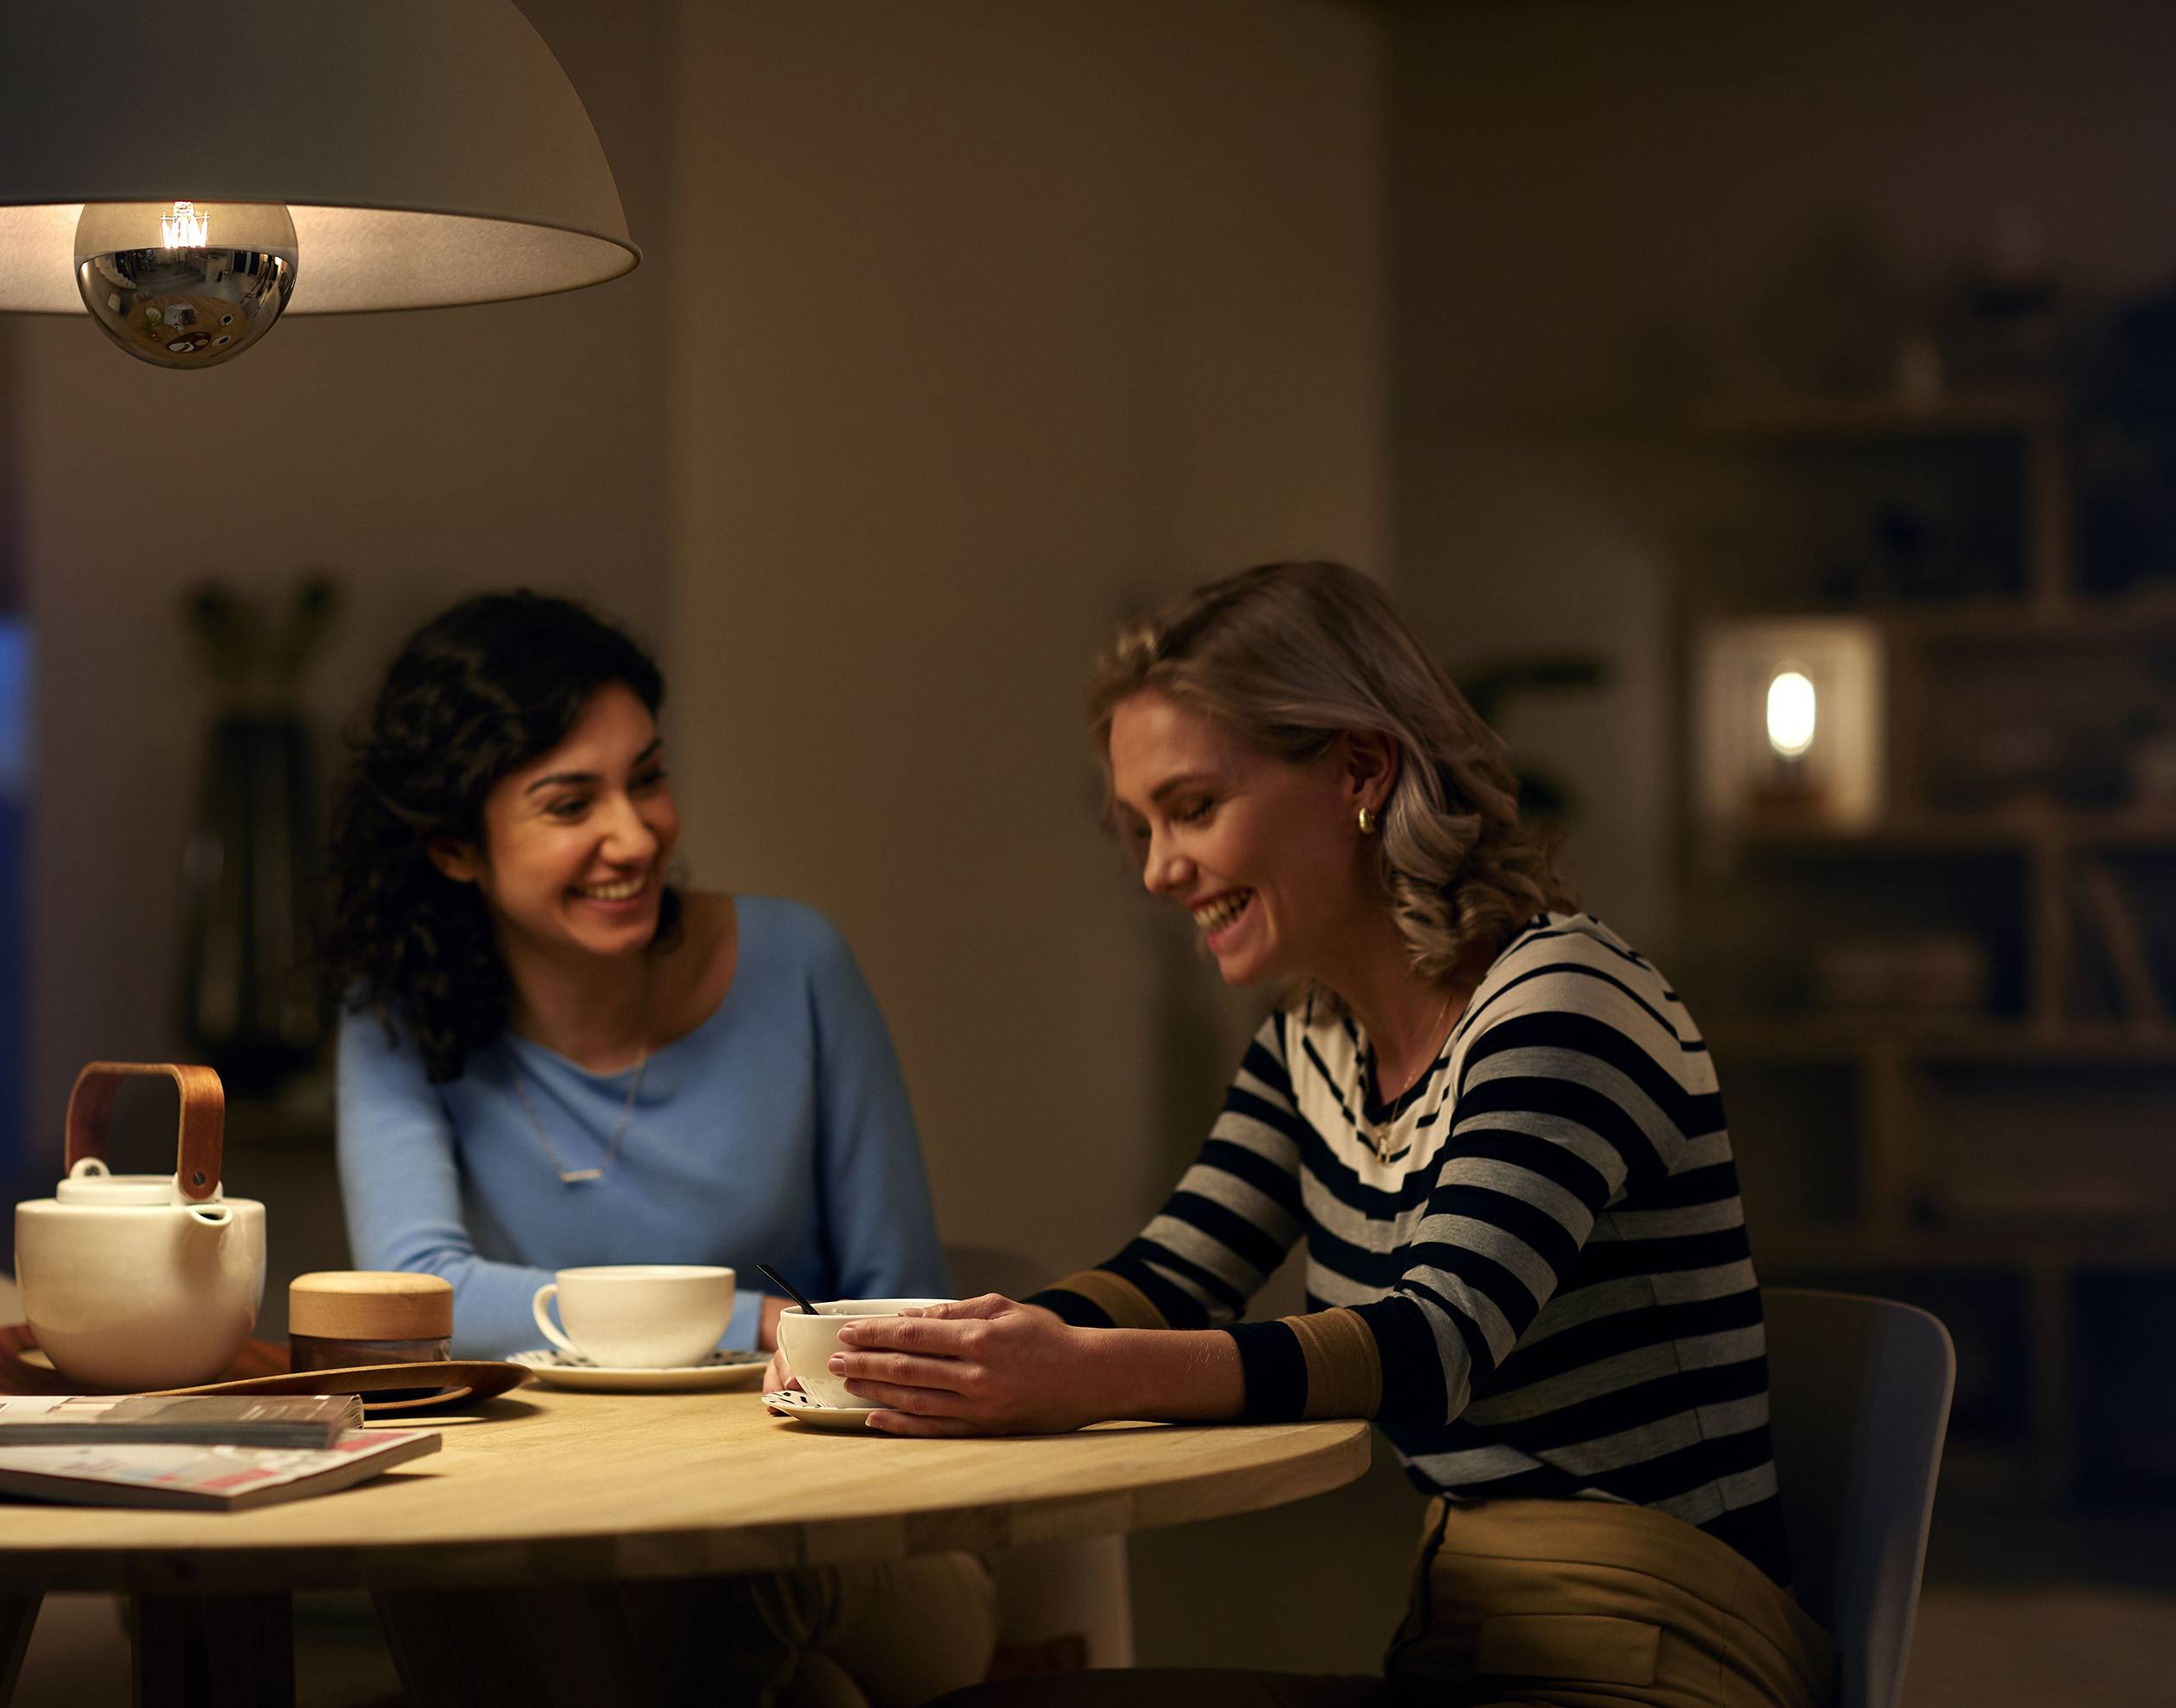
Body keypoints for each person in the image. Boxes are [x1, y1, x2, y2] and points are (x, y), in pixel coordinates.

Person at [827, 563, 1832, 1708]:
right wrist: (927, 1350)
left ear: (1362, 769)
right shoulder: (1312, 1040)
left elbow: (1430, 1347)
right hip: (1473, 1639)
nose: (1158, 871)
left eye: (1194, 808)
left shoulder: (1562, 1001)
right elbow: (1173, 1275)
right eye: (1140, 825)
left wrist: (1071, 1376)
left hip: (1661, 1654)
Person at [324, 590, 992, 1706]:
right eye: (567, 801)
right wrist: (755, 1323)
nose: (632, 836)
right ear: (453, 848)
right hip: (569, 1531)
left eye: (646, 778)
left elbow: (900, 1306)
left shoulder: (796, 963)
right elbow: (414, 1294)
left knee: (726, 1591)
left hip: (854, 1521)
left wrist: (796, 1354)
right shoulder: (394, 1014)